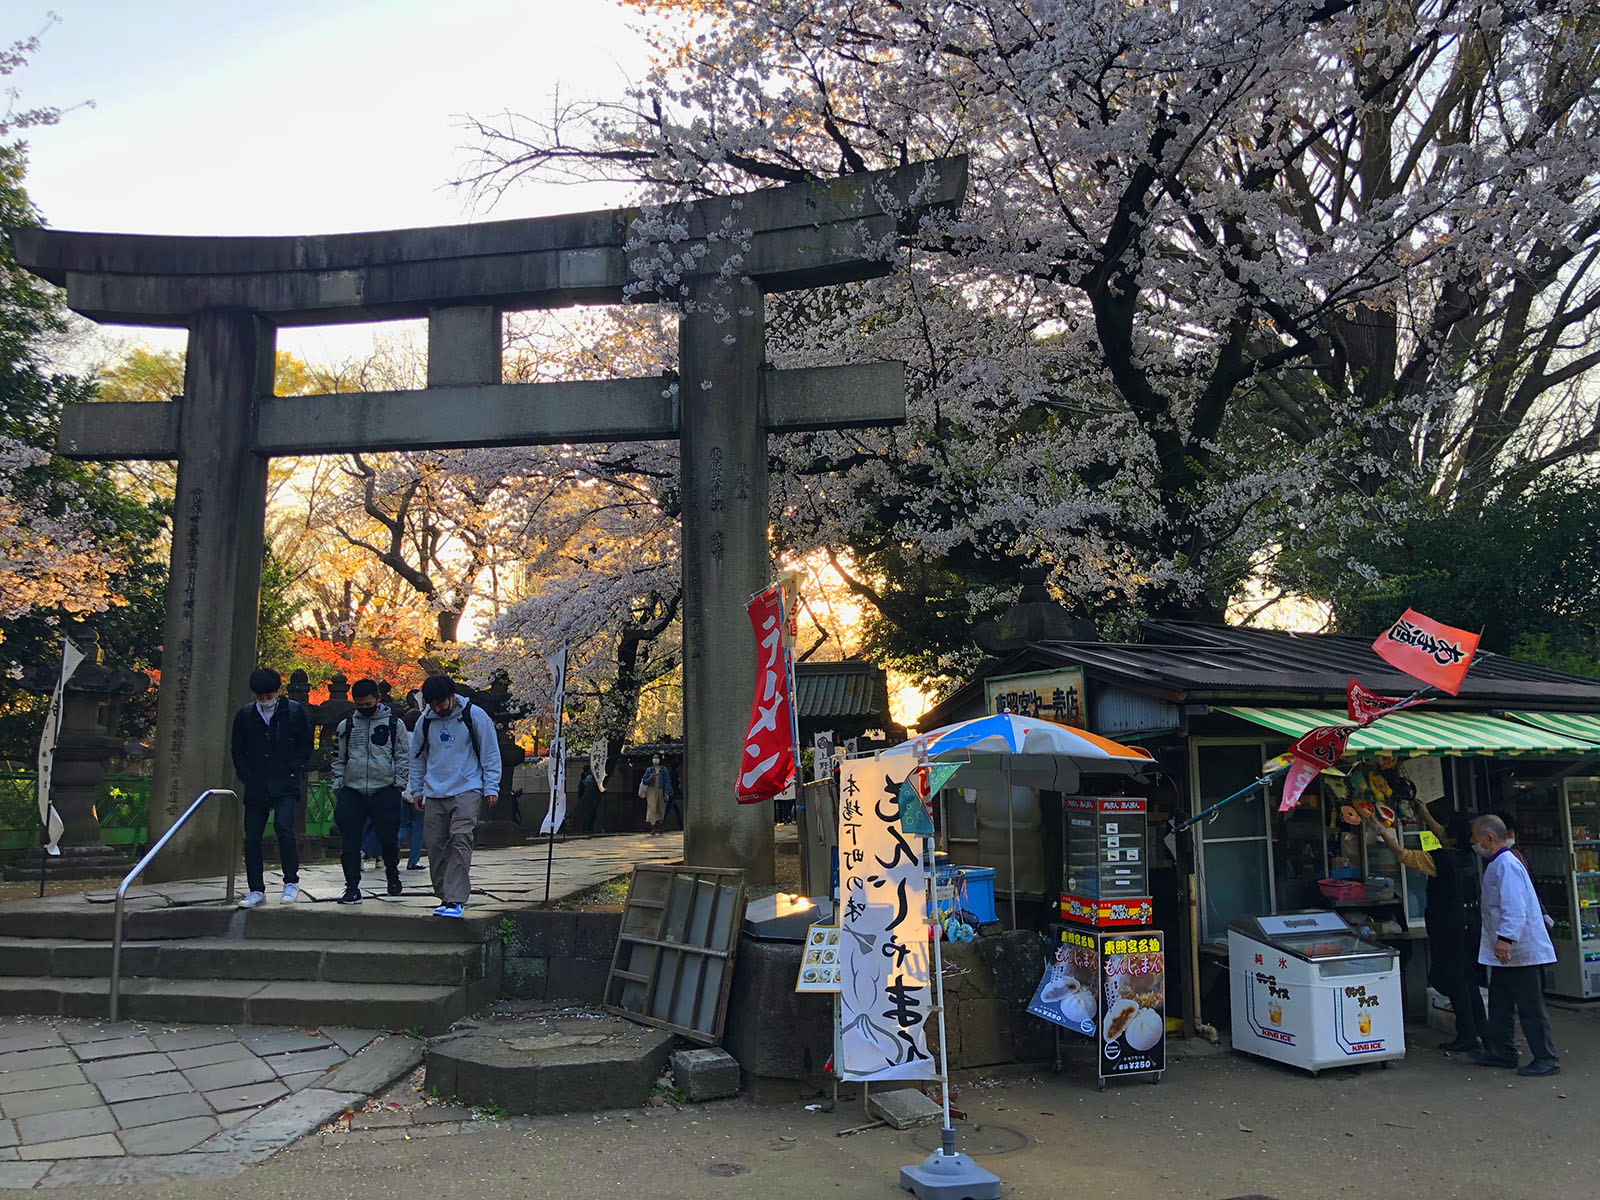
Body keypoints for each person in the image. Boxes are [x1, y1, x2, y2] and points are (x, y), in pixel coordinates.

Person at [1366, 802, 1485, 1051]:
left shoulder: (1443, 858)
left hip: (1452, 927)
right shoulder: (1468, 855)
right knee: (1469, 978)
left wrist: (1382, 832)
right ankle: (1481, 1030)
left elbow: (1405, 856)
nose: (1441, 832)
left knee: (1455, 980)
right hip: (1471, 925)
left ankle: (1468, 1035)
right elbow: (1442, 833)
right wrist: (1423, 812)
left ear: (1452, 836)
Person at [1468, 814, 1559, 1076]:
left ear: (1489, 838)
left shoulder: (1506, 865)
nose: (1473, 842)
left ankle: (1546, 1058)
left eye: (1475, 837)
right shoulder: (1497, 864)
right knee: (1500, 1003)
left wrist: (1505, 939)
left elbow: (1514, 907)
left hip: (1518, 949)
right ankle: (1502, 1051)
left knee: (1530, 1007)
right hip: (1505, 950)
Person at [408, 675, 501, 918]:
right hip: (434, 791)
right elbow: (417, 758)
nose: (437, 709)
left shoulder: (475, 716)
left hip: (467, 787)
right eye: (432, 705)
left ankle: (456, 899)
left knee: (460, 838)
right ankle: (445, 895)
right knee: (435, 845)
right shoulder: (424, 722)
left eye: (441, 703)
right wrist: (416, 790)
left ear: (451, 696)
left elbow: (490, 752)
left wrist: (491, 786)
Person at [229, 667, 314, 909]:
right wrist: (245, 774)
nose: (265, 700)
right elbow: (237, 749)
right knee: (252, 837)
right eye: (260, 696)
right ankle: (256, 888)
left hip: (285, 781)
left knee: (284, 828)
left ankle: (291, 881)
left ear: (278, 691)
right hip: (256, 783)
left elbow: (305, 743)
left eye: (269, 695)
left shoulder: (294, 711)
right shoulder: (245, 715)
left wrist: (294, 766)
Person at [330, 678, 409, 904]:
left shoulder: (395, 724)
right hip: (352, 788)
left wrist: (398, 783)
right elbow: (338, 757)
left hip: (385, 788)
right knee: (350, 842)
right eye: (360, 705)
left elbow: (403, 756)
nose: (364, 709)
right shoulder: (347, 726)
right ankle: (352, 886)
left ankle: (392, 874)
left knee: (388, 838)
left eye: (368, 704)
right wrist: (339, 783)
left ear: (378, 699)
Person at [641, 755, 671, 834]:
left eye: (657, 758)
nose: (655, 759)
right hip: (651, 790)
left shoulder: (663, 770)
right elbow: (644, 781)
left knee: (661, 807)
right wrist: (650, 778)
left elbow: (667, 781)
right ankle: (653, 827)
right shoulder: (649, 769)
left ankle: (660, 825)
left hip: (661, 790)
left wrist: (666, 793)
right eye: (654, 758)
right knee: (652, 807)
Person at [577, 764, 603, 835]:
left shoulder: (583, 776)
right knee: (591, 814)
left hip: (583, 798)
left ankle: (585, 829)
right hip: (589, 798)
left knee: (586, 814)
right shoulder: (589, 777)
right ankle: (588, 829)